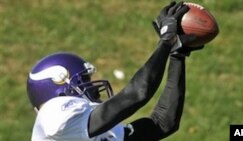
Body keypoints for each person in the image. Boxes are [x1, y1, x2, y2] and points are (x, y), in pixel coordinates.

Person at [26, 1, 204, 141]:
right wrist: (166, 42)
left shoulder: (86, 129)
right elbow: (137, 94)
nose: (93, 87)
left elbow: (164, 123)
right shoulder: (53, 115)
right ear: (61, 86)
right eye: (84, 80)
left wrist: (177, 55)